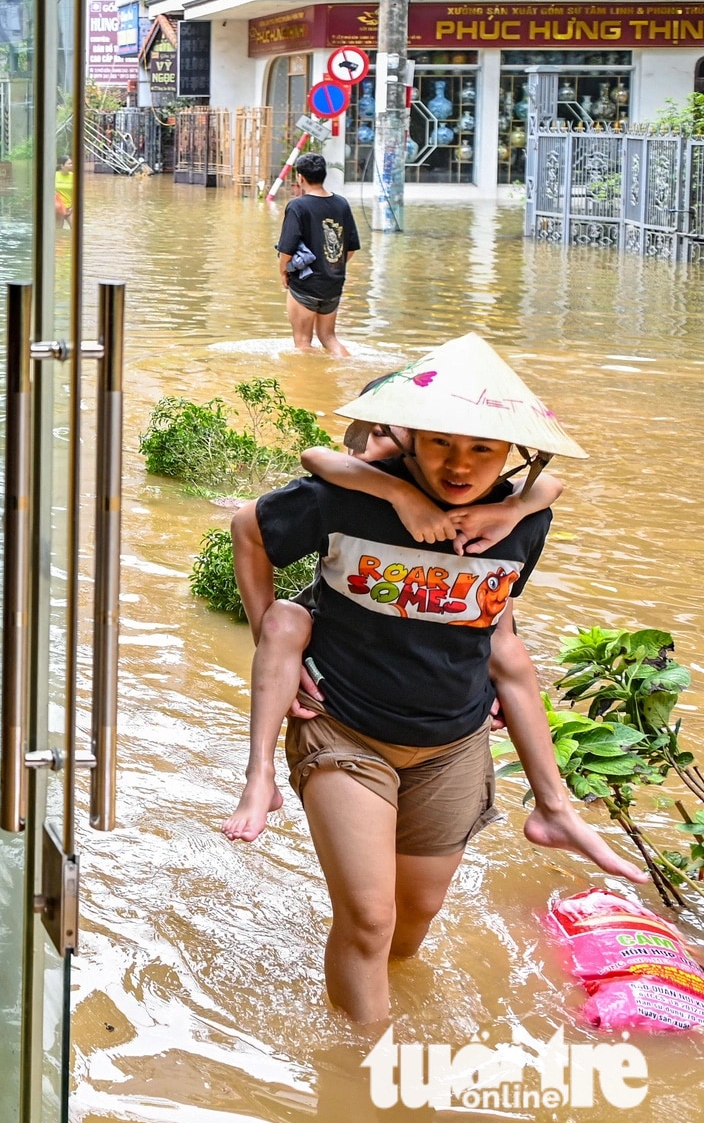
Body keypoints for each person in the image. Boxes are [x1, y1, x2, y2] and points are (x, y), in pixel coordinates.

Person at [221, 334, 642, 1025]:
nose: (460, 464)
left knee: (414, 918)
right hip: (343, 726)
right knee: (368, 918)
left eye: (483, 449)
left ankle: (367, 997)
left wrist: (548, 788)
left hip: (452, 741)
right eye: (442, 442)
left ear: (513, 453)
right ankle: (367, 1097)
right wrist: (277, 640)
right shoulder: (348, 497)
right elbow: (251, 530)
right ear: (409, 435)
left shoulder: (521, 522)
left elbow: (497, 628)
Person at [276, 153, 358, 357]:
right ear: (324, 175)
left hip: (305, 285)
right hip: (333, 283)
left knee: (302, 342)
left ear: (300, 177)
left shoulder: (298, 206)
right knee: (329, 338)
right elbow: (350, 249)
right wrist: (331, 268)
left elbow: (286, 249)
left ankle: (306, 386)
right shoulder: (342, 204)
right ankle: (348, 366)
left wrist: (283, 273)